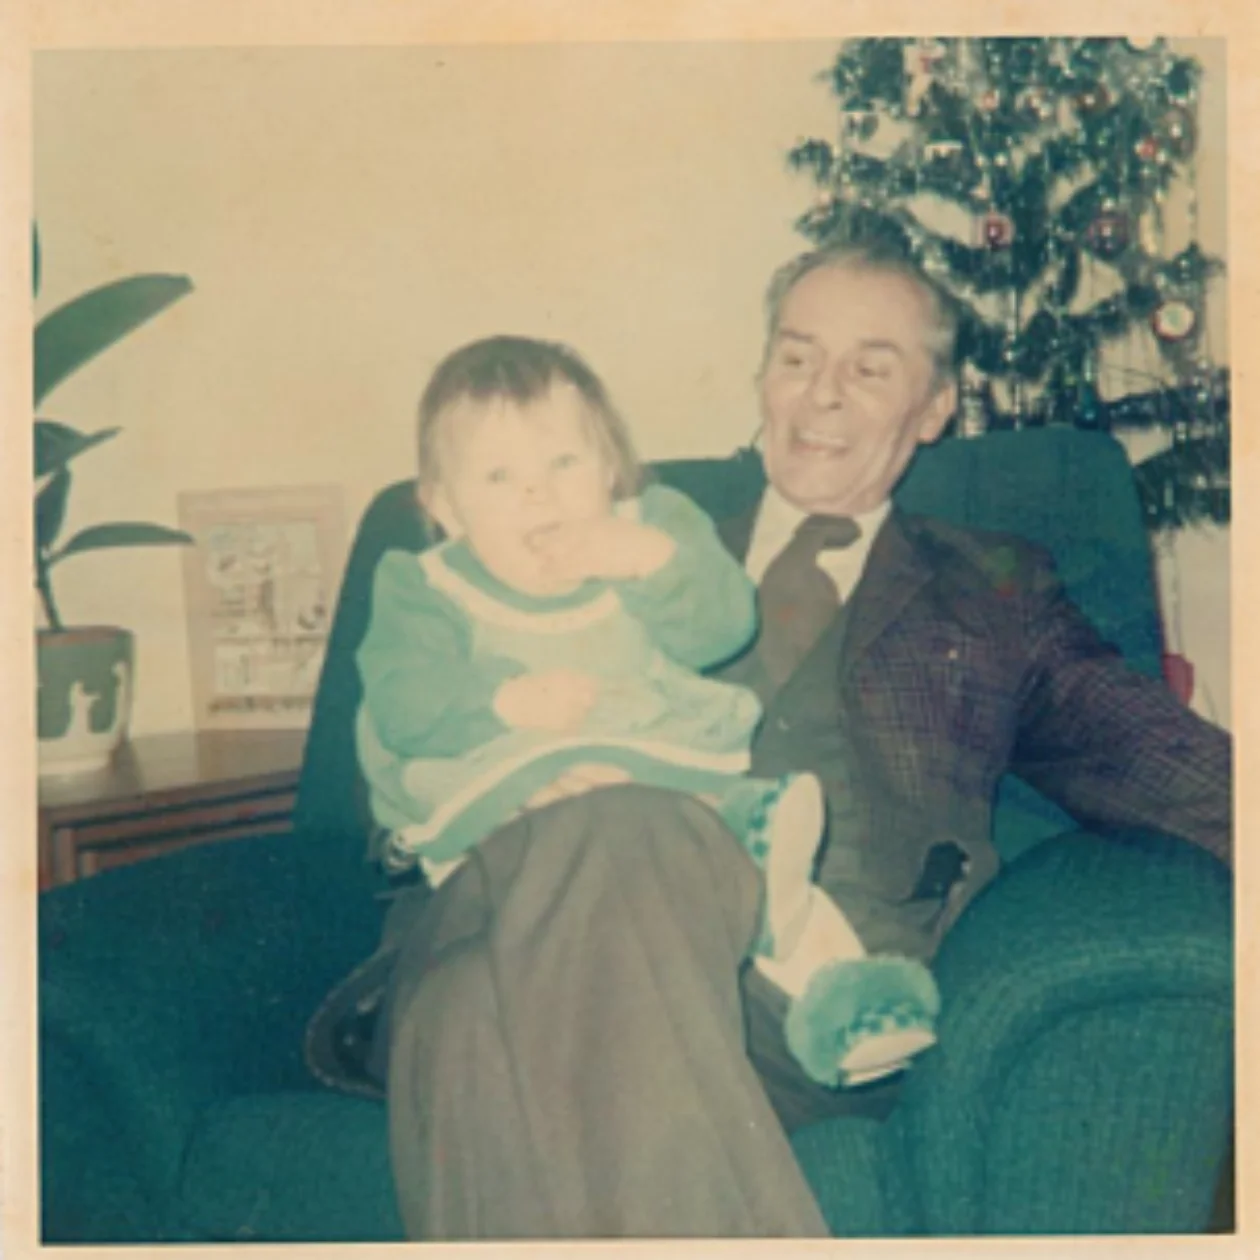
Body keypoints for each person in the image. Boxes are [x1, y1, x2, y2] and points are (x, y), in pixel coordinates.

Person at [307, 239, 1232, 1239]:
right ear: (761, 377)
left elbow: (1162, 762)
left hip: (793, 1002)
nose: (821, 395)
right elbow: (393, 744)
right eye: (797, 357)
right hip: (489, 907)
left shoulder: (992, 589)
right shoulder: (589, 519)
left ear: (933, 410)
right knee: (603, 852)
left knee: (467, 1031)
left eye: (869, 369)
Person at [354, 334, 941, 1091]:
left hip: (657, 785)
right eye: (499, 476)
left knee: (761, 856)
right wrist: (500, 700)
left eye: (564, 463)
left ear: (609, 468)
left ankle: (847, 1001)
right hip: (506, 796)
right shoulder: (425, 585)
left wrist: (647, 563)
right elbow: (402, 700)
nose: (540, 494)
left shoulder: (653, 527)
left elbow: (723, 626)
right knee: (701, 860)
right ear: (443, 506)